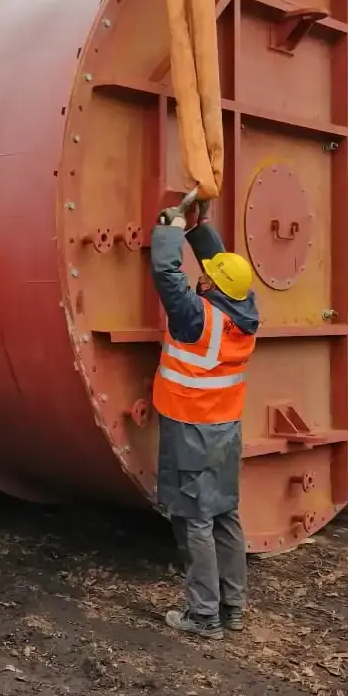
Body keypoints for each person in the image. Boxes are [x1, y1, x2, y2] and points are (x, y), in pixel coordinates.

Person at [150, 199, 259, 640]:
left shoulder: (197, 317)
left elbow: (167, 275)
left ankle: (203, 615)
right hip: (226, 428)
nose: (203, 276)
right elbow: (222, 269)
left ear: (211, 285)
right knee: (226, 514)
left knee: (195, 518)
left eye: (207, 276)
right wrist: (202, 227)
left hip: (190, 427)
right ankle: (233, 607)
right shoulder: (246, 310)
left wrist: (171, 229)